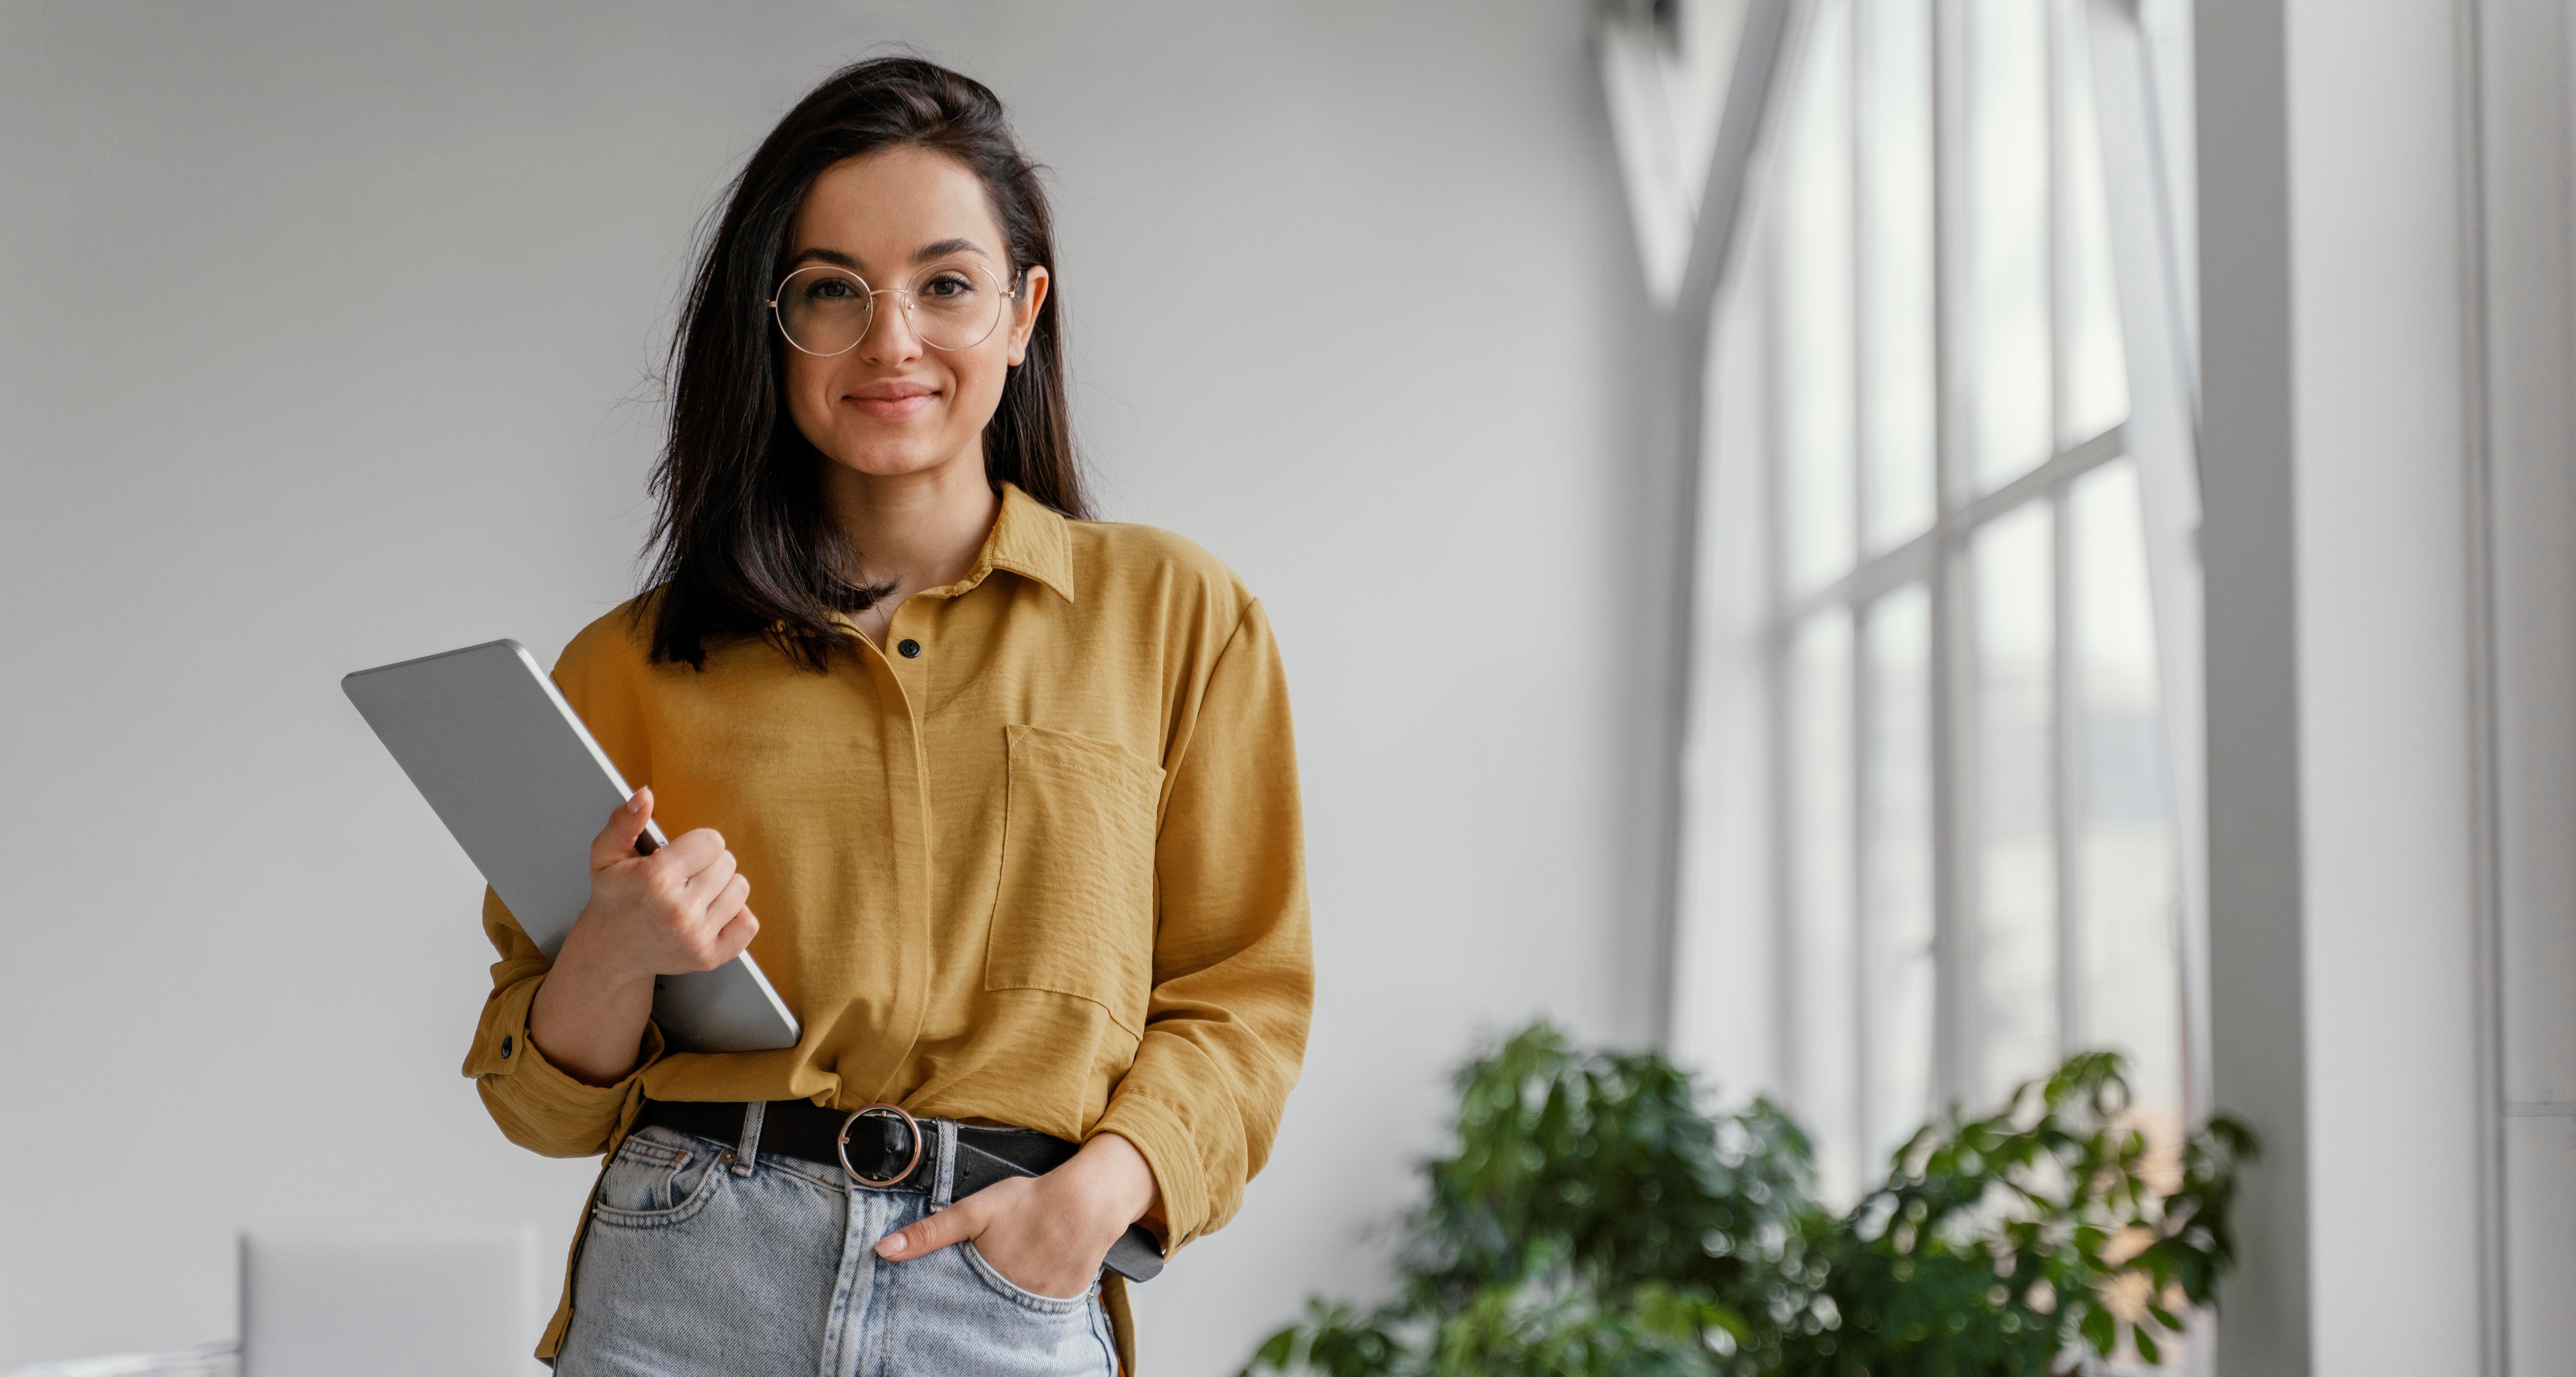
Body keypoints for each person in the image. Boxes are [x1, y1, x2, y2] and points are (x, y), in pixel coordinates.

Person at [460, 56, 1313, 1376]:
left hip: (1004, 1285)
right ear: (773, 325)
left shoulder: (1177, 619)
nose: (891, 341)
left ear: (1023, 313)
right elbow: (546, 1102)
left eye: (944, 285)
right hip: (684, 1274)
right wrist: (612, 956)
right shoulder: (629, 666)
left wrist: (1089, 1203)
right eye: (830, 293)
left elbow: (1239, 995)